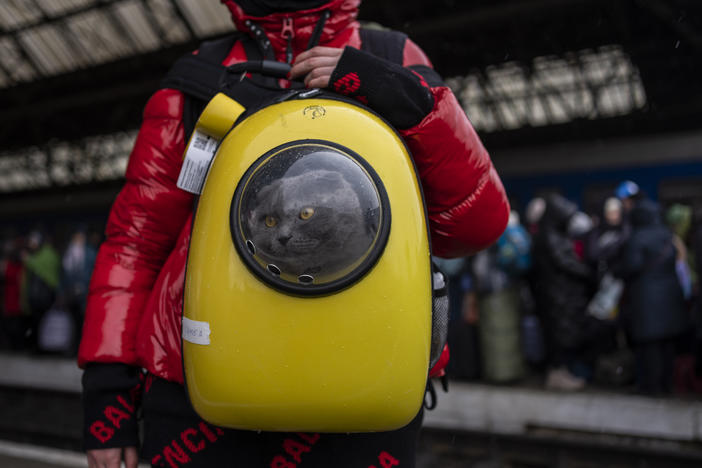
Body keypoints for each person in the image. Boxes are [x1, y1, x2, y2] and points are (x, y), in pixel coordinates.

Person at [78, 1, 510, 467]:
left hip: (365, 370)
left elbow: (474, 225)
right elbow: (136, 243)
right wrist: (109, 393)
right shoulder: (195, 80)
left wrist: (409, 102)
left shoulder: (393, 58)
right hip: (199, 383)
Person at [619, 199, 690, 394]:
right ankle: (667, 385)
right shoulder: (668, 236)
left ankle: (651, 386)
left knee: (649, 348)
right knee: (667, 346)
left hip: (646, 300)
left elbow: (630, 267)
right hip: (671, 299)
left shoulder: (637, 238)